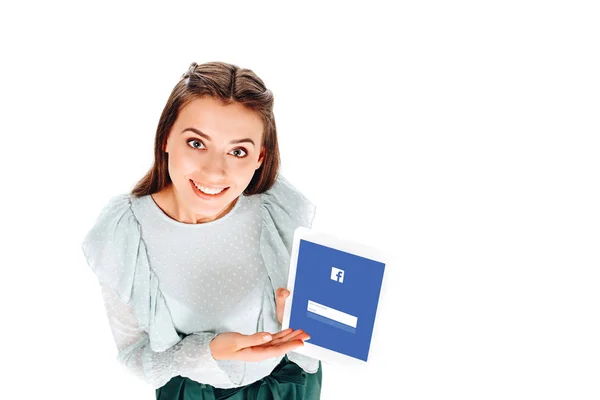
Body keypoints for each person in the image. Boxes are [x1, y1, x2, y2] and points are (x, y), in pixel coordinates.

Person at [81, 61, 323, 399]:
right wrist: (205, 350)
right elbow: (133, 355)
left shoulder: (277, 208)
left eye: (238, 151)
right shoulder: (125, 232)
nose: (214, 172)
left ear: (259, 158)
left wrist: (296, 321)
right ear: (166, 138)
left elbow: (323, 330)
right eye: (197, 143)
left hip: (288, 386)